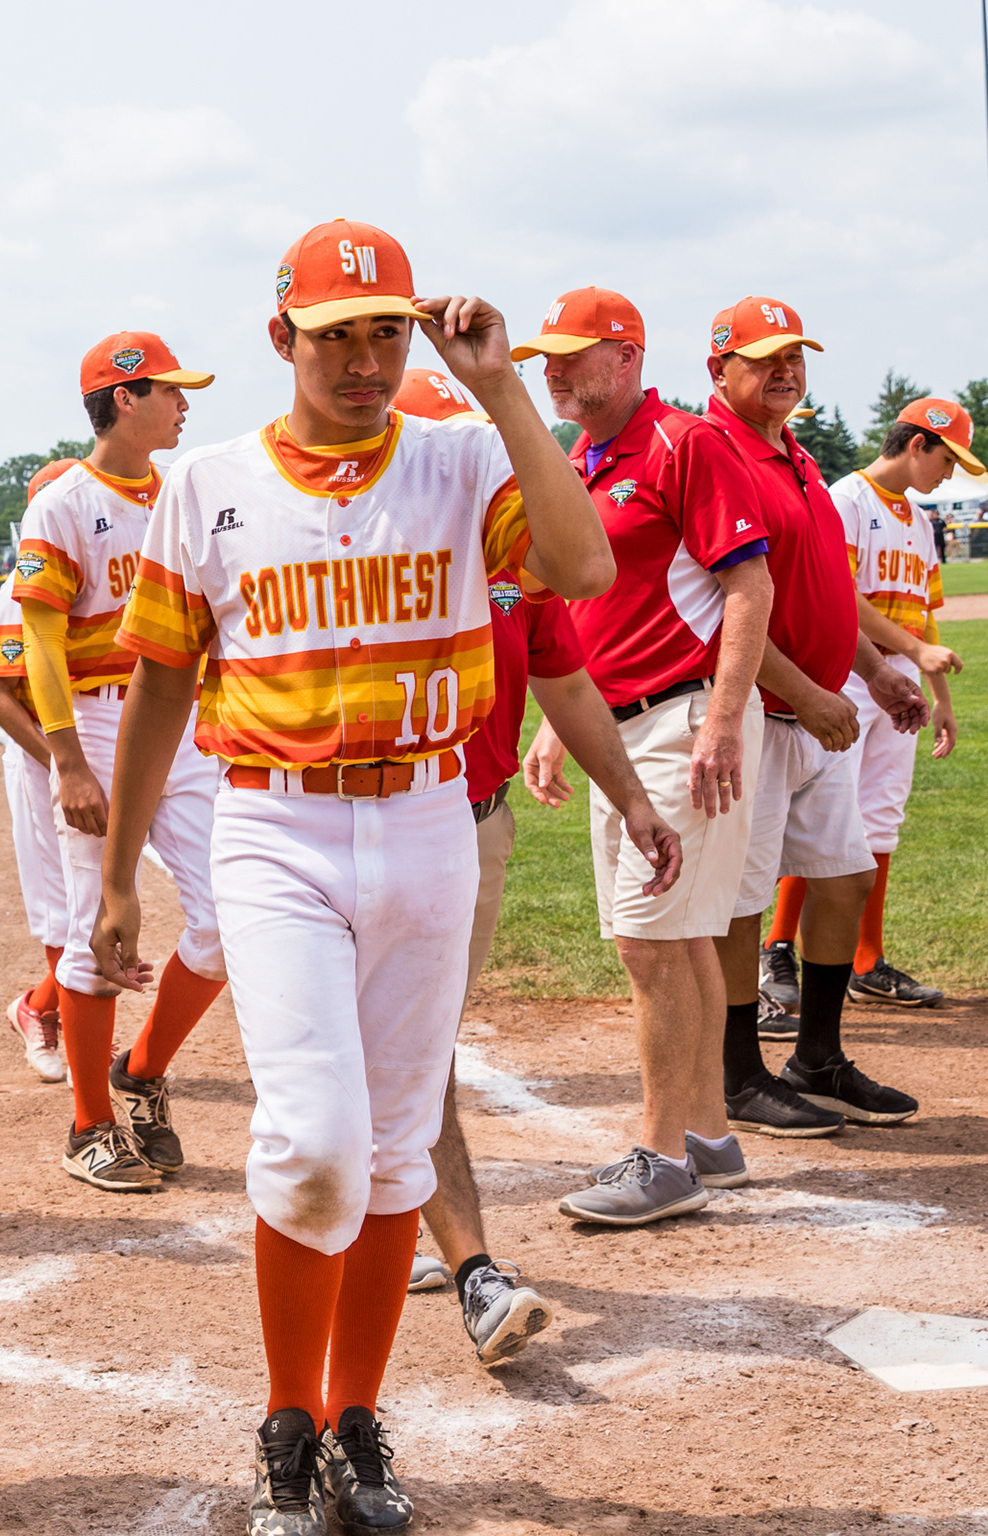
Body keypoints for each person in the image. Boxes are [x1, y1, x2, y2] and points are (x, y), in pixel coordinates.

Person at [97, 221, 613, 1535]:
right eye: (339, 334)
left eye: (389, 329)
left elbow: (583, 566)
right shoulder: (209, 479)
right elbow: (160, 683)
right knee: (317, 1147)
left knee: (390, 1158)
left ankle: (355, 1419)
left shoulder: (456, 457)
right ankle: (287, 1416)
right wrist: (117, 877)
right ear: (284, 339)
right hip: (277, 826)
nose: (369, 359)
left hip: (428, 816)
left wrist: (500, 385)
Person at [390, 370, 681, 1365]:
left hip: (473, 826)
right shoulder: (368, 573)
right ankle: (463, 1258)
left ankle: (423, 1231)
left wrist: (635, 797)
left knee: (418, 1050)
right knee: (399, 1056)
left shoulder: (509, 557)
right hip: (367, 831)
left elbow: (565, 678)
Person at [515, 287, 786, 1214]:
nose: (552, 368)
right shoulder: (585, 459)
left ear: (626, 357)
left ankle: (662, 1155)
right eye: (546, 354)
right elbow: (602, 609)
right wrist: (562, 720)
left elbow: (748, 587)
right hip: (623, 725)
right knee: (682, 937)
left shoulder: (684, 443)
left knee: (650, 944)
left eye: (572, 353)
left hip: (682, 720)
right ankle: (706, 1135)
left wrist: (722, 715)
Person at [696, 298, 928, 1132]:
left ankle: (818, 1057)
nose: (786, 370)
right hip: (759, 713)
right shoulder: (714, 454)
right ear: (718, 369)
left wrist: (878, 670)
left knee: (847, 876)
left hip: (820, 711)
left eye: (795, 356)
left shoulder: (793, 456)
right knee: (741, 902)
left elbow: (828, 587)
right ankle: (737, 1075)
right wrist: (806, 693)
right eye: (763, 358)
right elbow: (723, 609)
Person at [16, 330, 227, 1194]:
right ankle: (88, 1125)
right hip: (98, 721)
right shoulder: (63, 499)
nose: (185, 403)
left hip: (181, 719)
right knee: (88, 927)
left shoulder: (182, 493)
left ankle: (140, 1074)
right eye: (171, 390)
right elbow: (38, 636)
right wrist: (66, 760)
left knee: (227, 914)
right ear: (126, 398)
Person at [758, 398, 969, 1010]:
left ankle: (866, 959)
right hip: (851, 673)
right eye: (946, 458)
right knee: (823, 816)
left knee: (879, 816)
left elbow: (925, 620)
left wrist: (941, 696)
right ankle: (778, 950)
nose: (948, 474)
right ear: (916, 444)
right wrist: (905, 653)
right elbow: (837, 596)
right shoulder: (847, 499)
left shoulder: (922, 522)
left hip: (900, 677)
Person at [0, 457, 79, 1082]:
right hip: (46, 765)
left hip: (111, 761)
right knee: (64, 912)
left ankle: (39, 1004)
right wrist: (65, 767)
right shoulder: (16, 594)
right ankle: (52, 1018)